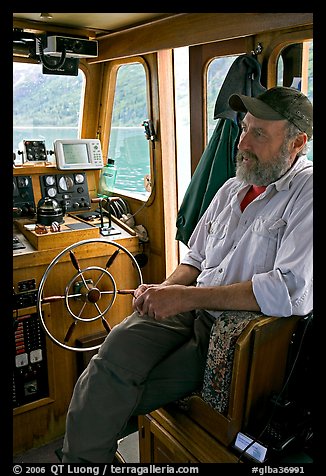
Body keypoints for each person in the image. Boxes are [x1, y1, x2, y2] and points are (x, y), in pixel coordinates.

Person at [62, 86, 313, 463]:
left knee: (121, 391)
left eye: (259, 133)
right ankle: (81, 461)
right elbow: (194, 260)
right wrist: (163, 290)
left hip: (231, 336)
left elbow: (289, 290)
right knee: (110, 357)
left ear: (297, 142)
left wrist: (187, 297)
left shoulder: (305, 193)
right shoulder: (231, 189)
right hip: (190, 308)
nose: (242, 141)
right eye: (244, 128)